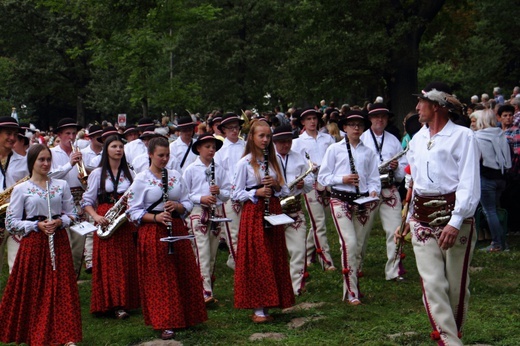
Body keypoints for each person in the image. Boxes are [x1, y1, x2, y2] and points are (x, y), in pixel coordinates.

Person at [395, 82, 480, 346]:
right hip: (421, 220)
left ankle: (453, 334)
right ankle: (449, 341)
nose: (417, 108)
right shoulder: (417, 139)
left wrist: (455, 222)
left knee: (455, 287)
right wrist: (409, 217)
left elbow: (469, 182)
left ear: (437, 106)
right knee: (432, 284)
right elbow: (415, 182)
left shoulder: (464, 137)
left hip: (455, 218)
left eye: (421, 103)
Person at [126, 136, 207, 340]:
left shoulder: (175, 175)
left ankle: (187, 316)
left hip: (176, 227)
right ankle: (165, 321)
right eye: (160, 155)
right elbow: (133, 211)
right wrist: (155, 217)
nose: (164, 159)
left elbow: (187, 202)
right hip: (153, 231)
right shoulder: (141, 179)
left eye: (167, 155)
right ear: (150, 155)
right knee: (161, 277)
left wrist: (178, 207)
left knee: (181, 271)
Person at [0, 144, 81, 346]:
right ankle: (36, 333)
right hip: (34, 244)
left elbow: (73, 214)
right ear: (32, 162)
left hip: (58, 241)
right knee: (36, 289)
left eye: (48, 159)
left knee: (60, 288)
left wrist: (61, 222)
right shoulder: (21, 189)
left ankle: (65, 335)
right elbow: (11, 223)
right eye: (41, 160)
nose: (45, 164)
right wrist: (36, 225)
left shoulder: (61, 185)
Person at [232, 119, 294, 323]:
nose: (265, 140)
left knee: (274, 254)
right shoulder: (245, 162)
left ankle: (273, 301)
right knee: (259, 257)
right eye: (261, 136)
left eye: (268, 136)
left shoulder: (273, 160)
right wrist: (256, 192)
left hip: (273, 210)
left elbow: (285, 190)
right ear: (252, 137)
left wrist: (276, 184)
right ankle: (258, 307)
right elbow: (236, 193)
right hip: (254, 212)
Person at [318, 110, 380, 305]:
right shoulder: (334, 149)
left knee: (359, 247)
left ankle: (353, 285)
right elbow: (323, 178)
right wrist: (342, 179)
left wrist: (373, 191)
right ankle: (351, 292)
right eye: (351, 124)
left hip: (361, 202)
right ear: (344, 127)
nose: (355, 128)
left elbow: (374, 179)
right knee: (349, 244)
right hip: (340, 200)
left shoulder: (368, 152)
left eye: (359, 125)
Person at [81, 134, 140, 318]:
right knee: (108, 263)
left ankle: (126, 302)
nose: (118, 150)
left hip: (124, 219)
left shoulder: (130, 173)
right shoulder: (98, 174)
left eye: (121, 147)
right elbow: (87, 201)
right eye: (114, 146)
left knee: (125, 261)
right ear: (106, 150)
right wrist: (96, 216)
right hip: (106, 219)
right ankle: (111, 303)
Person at [360, 104, 407, 282]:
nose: (380, 120)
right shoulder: (362, 139)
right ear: (370, 119)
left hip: (389, 188)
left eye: (383, 117)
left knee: (395, 229)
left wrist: (397, 168)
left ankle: (394, 270)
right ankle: (356, 266)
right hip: (368, 191)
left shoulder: (394, 140)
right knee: (362, 231)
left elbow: (403, 165)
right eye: (376, 116)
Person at [183, 133, 230, 304]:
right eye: (207, 147)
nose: (211, 150)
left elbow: (227, 193)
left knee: (211, 252)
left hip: (215, 213)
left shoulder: (219, 169)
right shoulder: (190, 169)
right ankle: (204, 292)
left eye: (213, 147)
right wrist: (200, 198)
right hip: (197, 213)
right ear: (198, 149)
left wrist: (220, 193)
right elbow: (184, 194)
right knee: (201, 251)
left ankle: (206, 287)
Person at [291, 108, 336, 270]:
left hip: (328, 183)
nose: (312, 122)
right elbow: (295, 165)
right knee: (319, 222)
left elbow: (334, 159)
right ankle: (326, 260)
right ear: (302, 122)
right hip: (310, 184)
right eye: (308, 119)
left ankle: (307, 254)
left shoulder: (328, 139)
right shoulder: (297, 142)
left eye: (314, 118)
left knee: (319, 222)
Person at [273, 125, 314, 295]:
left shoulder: (298, 158)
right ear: (274, 142)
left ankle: (296, 286)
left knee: (298, 249)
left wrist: (303, 184)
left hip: (294, 207)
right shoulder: (266, 159)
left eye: (288, 142)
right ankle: (277, 284)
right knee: (275, 251)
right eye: (282, 142)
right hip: (275, 208)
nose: (286, 145)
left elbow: (311, 179)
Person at [48, 118, 86, 274]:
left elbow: (87, 179)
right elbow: (49, 175)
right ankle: (60, 278)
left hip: (78, 200)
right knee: (63, 246)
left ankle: (73, 279)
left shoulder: (80, 153)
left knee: (78, 245)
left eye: (74, 134)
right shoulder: (51, 153)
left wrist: (84, 180)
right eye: (67, 133)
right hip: (59, 202)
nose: (71, 137)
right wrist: (69, 164)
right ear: (59, 135)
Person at [474, 109, 511, 252]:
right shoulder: (500, 134)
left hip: (486, 177)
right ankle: (502, 241)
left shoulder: (477, 136)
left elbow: (476, 158)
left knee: (490, 211)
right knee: (495, 210)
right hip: (501, 177)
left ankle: (497, 244)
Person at [214, 113, 246, 269]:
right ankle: (239, 264)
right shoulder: (220, 150)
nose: (234, 131)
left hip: (246, 193)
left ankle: (239, 261)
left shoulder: (246, 146)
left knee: (246, 230)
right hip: (229, 195)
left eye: (236, 127)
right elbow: (219, 174)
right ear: (224, 131)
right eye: (230, 128)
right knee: (233, 232)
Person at [0, 117, 29, 275]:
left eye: (15, 135)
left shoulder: (24, 161)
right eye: (8, 133)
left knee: (17, 265)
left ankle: (16, 299)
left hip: (16, 215)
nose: (12, 138)